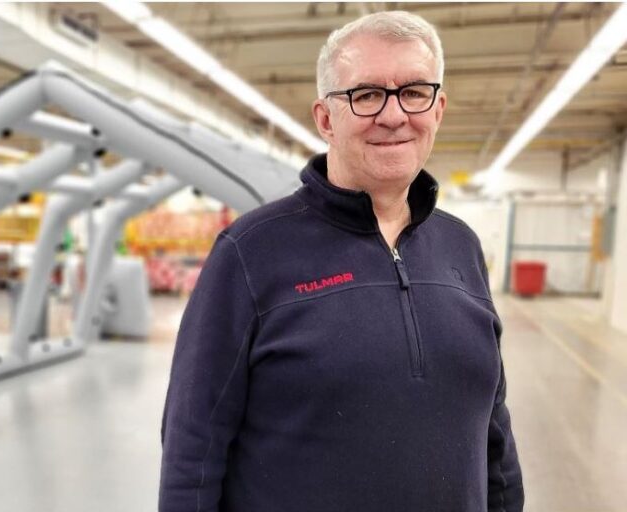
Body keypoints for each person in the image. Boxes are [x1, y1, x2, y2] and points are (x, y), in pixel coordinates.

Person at [159, 11, 523, 512]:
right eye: (366, 94)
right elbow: (192, 452)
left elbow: (493, 429)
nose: (394, 115)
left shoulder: (461, 247)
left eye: (414, 91)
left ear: (438, 109)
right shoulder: (249, 253)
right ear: (326, 118)